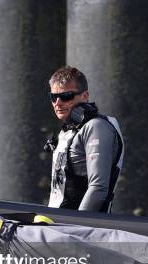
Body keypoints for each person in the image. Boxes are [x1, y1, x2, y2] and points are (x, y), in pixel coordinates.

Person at [46, 66, 124, 213]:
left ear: (85, 96)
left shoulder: (96, 127)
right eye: (53, 97)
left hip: (80, 230)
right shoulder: (69, 130)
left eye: (66, 96)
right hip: (58, 225)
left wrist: (76, 226)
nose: (58, 103)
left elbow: (98, 188)